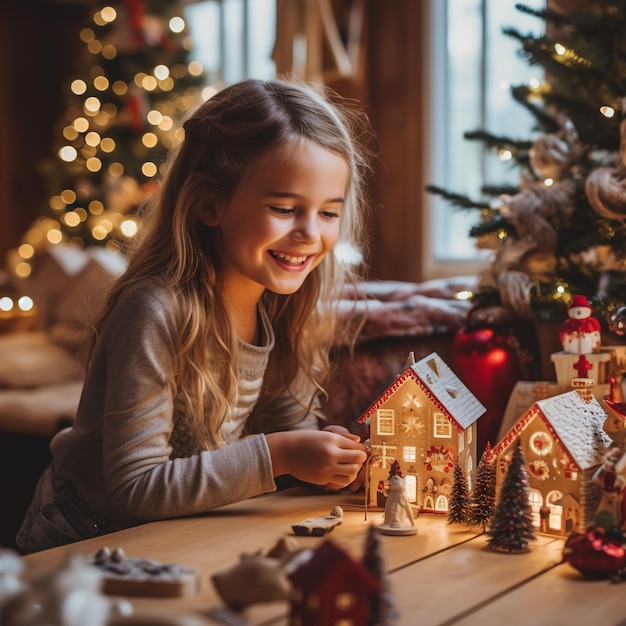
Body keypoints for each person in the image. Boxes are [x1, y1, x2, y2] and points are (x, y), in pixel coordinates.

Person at [17, 77, 374, 553]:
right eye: (285, 208)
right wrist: (282, 454)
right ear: (211, 203)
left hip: (179, 539)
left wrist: (327, 462)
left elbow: (290, 434)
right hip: (79, 552)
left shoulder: (281, 304)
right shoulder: (154, 310)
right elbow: (134, 487)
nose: (311, 233)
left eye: (329, 213)